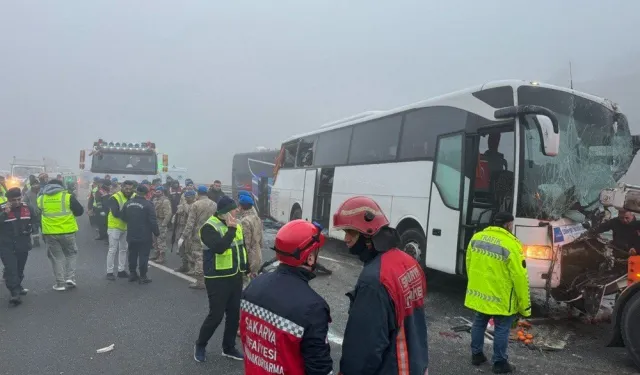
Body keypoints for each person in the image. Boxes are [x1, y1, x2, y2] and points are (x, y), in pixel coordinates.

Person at [332, 196, 428, 375]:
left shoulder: (374, 281)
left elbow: (364, 348)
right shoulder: (410, 262)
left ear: (367, 233)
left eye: (350, 232)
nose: (345, 239)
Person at [239, 219, 333, 374]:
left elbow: (245, 337)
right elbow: (319, 368)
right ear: (310, 258)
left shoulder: (254, 285)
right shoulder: (313, 307)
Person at [465, 212, 530, 373]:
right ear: (508, 225)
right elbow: (520, 278)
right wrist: (525, 306)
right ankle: (499, 363)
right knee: (502, 328)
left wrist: (476, 285)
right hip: (501, 297)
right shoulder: (511, 244)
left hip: (481, 294)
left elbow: (469, 264)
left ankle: (477, 355)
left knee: (479, 323)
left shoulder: (477, 238)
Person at [193, 196, 245, 362]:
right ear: (225, 212)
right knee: (216, 315)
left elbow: (239, 248)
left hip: (235, 275)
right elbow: (220, 248)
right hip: (217, 278)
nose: (237, 211)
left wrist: (247, 268)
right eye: (233, 209)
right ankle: (200, 344)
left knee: (233, 315)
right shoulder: (208, 227)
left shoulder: (236, 224)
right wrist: (230, 230)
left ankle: (228, 347)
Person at [37, 179, 84, 291]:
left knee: (57, 258)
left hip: (50, 232)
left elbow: (38, 212)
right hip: (68, 231)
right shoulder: (67, 197)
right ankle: (70, 278)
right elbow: (80, 211)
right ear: (61, 186)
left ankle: (60, 284)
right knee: (71, 254)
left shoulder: (41, 198)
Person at [0, 188, 38, 306]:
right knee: (11, 269)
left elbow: (35, 219)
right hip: (6, 245)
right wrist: (4, 213)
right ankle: (14, 293)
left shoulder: (28, 207)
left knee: (19, 268)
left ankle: (18, 286)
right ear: (8, 200)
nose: (16, 202)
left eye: (18, 199)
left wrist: (33, 228)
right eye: (13, 200)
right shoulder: (2, 208)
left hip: (23, 243)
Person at [179, 185, 217, 288]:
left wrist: (183, 236)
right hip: (212, 233)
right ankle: (211, 278)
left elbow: (190, 222)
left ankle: (200, 282)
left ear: (198, 193)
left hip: (198, 234)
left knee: (199, 257)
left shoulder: (195, 205)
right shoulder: (214, 204)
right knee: (210, 256)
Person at [121, 184, 159, 284]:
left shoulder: (128, 203)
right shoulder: (148, 204)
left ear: (136, 192)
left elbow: (123, 217)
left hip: (131, 233)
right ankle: (143, 276)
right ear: (146, 193)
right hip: (144, 235)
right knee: (143, 255)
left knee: (132, 254)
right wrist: (156, 232)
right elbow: (152, 220)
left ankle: (132, 274)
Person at [106, 180, 135, 281]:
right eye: (126, 188)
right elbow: (116, 213)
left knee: (123, 249)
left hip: (126, 227)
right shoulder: (114, 198)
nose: (128, 190)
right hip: (114, 226)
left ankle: (121, 270)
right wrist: (131, 217)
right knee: (112, 249)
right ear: (122, 187)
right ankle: (109, 272)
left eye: (130, 189)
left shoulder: (134, 196)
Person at [237, 194, 262, 280]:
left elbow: (245, 243)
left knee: (247, 281)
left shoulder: (244, 221)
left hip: (249, 257)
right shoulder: (257, 218)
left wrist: (243, 261)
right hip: (257, 253)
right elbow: (261, 238)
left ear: (241, 206)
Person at [173, 190, 196, 273]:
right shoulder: (183, 205)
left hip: (189, 230)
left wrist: (184, 204)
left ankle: (193, 267)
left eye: (188, 197)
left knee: (189, 248)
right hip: (181, 227)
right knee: (181, 248)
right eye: (185, 197)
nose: (186, 198)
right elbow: (178, 214)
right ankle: (184, 265)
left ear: (193, 197)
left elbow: (189, 212)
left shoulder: (194, 205)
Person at [150, 186, 172, 264]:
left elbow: (168, 213)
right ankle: (156, 254)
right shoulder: (154, 199)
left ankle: (162, 256)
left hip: (161, 220)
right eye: (156, 191)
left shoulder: (165, 201)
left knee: (161, 239)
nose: (156, 193)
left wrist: (164, 223)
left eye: (158, 192)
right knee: (154, 239)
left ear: (162, 192)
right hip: (155, 220)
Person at [22, 182, 42, 247]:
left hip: (42, 213)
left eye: (37, 185)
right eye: (34, 185)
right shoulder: (28, 193)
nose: (36, 186)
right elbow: (24, 202)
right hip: (33, 214)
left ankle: (47, 240)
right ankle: (36, 242)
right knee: (34, 228)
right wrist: (29, 208)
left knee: (44, 228)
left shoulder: (42, 192)